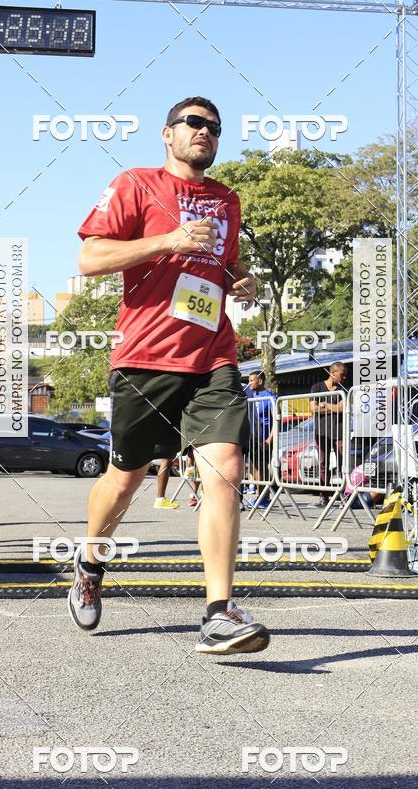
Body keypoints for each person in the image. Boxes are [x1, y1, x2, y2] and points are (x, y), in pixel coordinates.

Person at [69, 96, 270, 655]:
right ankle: (89, 561)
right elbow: (90, 259)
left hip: (213, 355)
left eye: (215, 126)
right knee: (126, 478)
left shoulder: (228, 199)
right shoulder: (136, 184)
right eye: (195, 123)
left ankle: (217, 612)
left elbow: (220, 263)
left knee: (225, 469)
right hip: (146, 358)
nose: (205, 132)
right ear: (167, 134)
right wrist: (169, 240)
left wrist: (240, 279)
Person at [310, 362, 348, 505]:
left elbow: (342, 408)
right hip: (322, 432)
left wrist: (325, 405)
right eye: (342, 374)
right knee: (323, 463)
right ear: (333, 373)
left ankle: (345, 495)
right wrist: (333, 408)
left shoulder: (343, 389)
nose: (344, 377)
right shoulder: (317, 387)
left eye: (345, 375)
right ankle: (323, 496)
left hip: (339, 431)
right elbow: (313, 409)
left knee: (343, 463)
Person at [244, 371, 276, 511]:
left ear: (260, 381)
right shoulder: (250, 396)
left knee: (262, 467)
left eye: (252, 380)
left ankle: (264, 498)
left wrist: (269, 439)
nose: (249, 383)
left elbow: (276, 419)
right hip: (252, 438)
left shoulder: (269, 397)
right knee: (254, 468)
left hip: (264, 439)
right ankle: (260, 495)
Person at [153, 444, 180, 510]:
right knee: (166, 461)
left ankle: (160, 499)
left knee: (167, 461)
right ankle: (160, 499)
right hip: (167, 438)